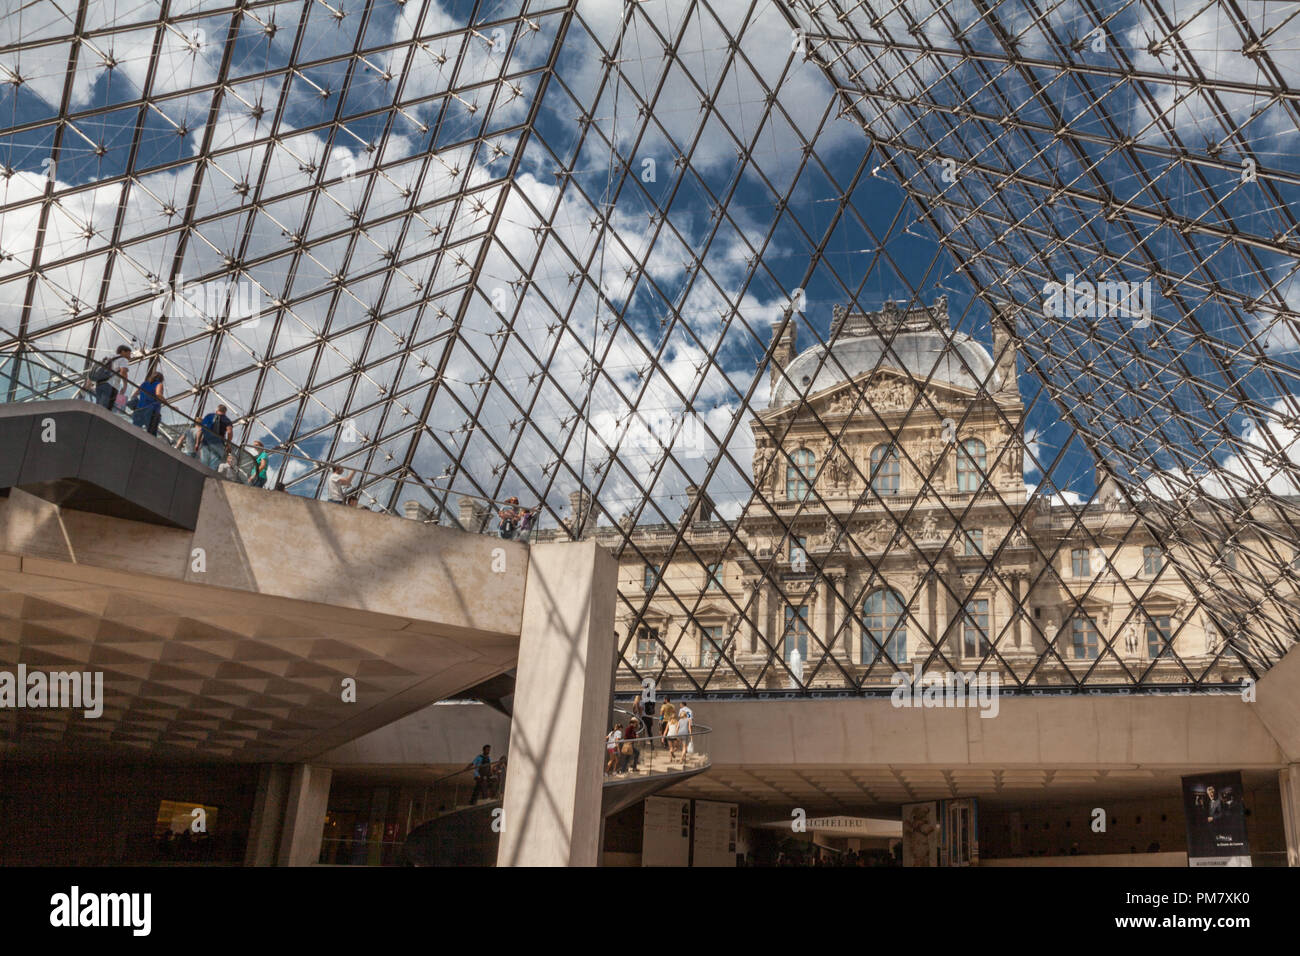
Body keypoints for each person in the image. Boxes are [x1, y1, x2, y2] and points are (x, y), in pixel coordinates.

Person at [91, 345, 132, 410]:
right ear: (123, 352)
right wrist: (125, 386)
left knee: (98, 406)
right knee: (105, 408)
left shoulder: (109, 358)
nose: (130, 356)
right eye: (129, 353)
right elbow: (123, 372)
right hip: (111, 385)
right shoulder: (123, 359)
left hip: (99, 384)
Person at [198, 404, 233, 470]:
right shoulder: (227, 420)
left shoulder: (209, 416)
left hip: (206, 442)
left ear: (217, 410)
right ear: (225, 412)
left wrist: (198, 442)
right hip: (218, 443)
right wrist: (228, 444)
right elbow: (229, 432)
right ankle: (209, 475)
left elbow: (200, 430)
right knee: (214, 464)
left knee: (203, 462)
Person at [131, 371, 164, 435]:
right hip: (152, 411)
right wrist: (167, 403)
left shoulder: (144, 384)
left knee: (134, 431)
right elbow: (158, 394)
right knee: (151, 434)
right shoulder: (159, 384)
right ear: (161, 379)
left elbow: (134, 395)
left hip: (139, 410)